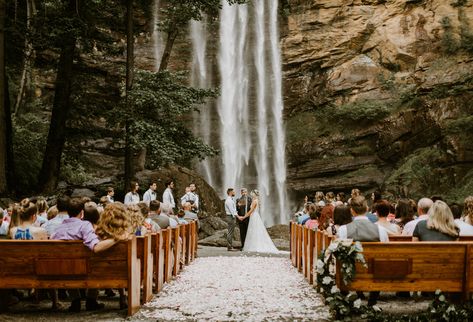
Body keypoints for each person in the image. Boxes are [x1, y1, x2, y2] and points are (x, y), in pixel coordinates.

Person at [51, 198, 118, 312]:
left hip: (65, 268)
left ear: (68, 212)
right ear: (82, 213)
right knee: (95, 262)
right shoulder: (85, 225)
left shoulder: (58, 229)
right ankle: (91, 300)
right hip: (86, 267)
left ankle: (75, 300)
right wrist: (117, 239)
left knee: (69, 267)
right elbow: (96, 248)